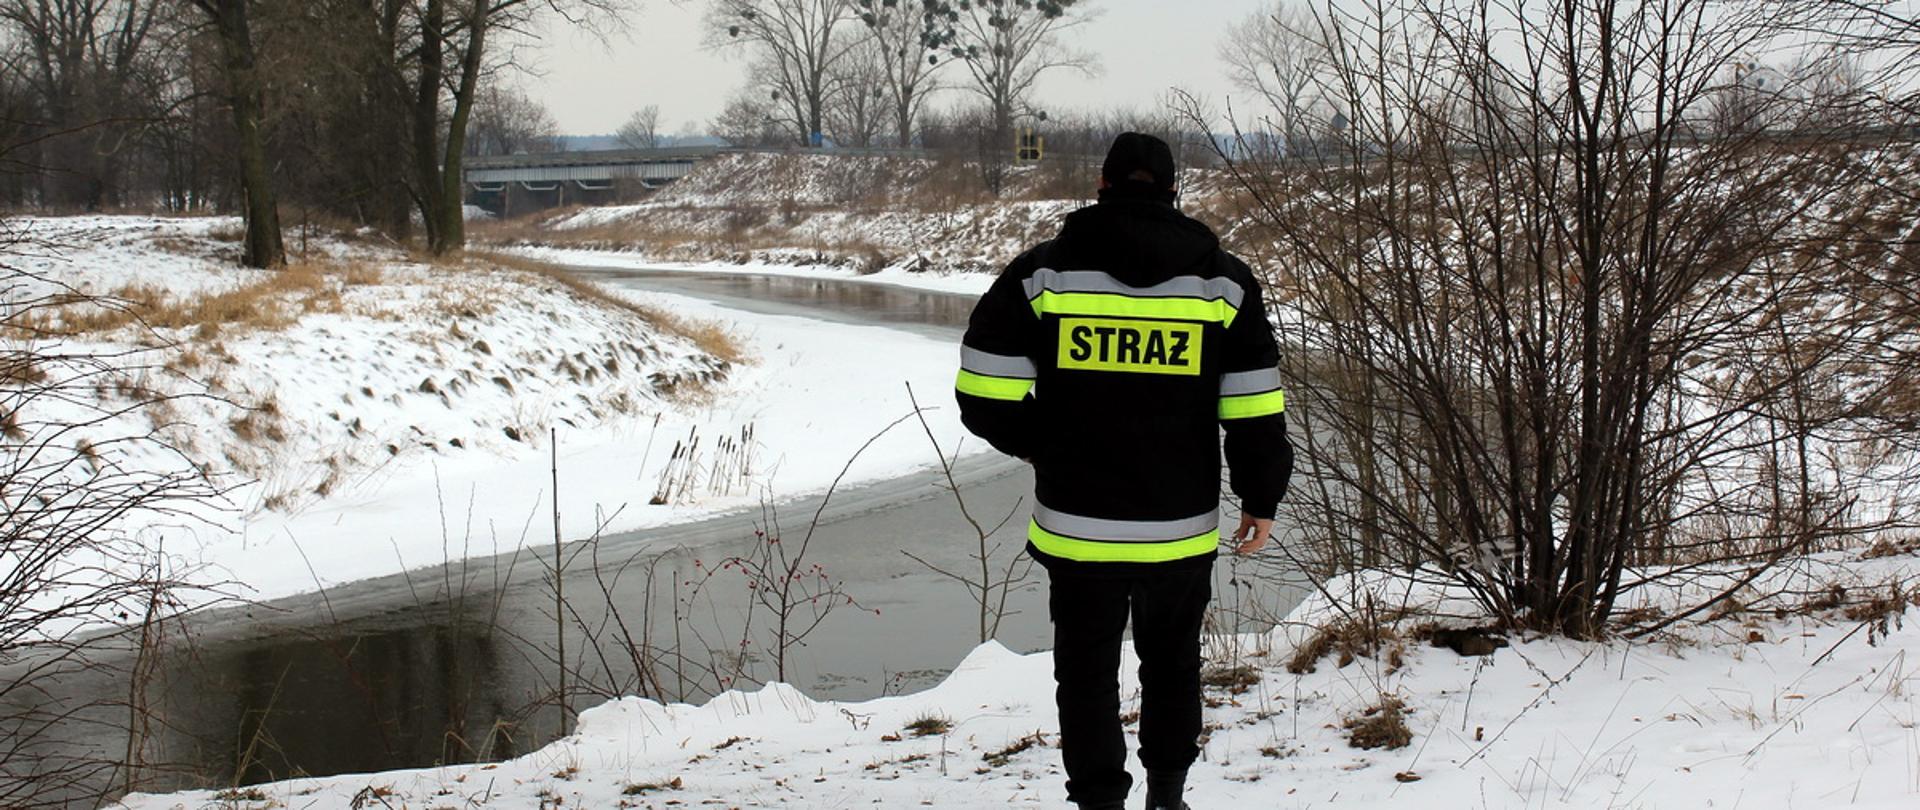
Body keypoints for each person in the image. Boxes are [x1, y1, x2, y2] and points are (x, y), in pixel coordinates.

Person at [953, 132, 1293, 810]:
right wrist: (1261, 494)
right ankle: (1167, 798)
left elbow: (983, 392)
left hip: (1077, 527)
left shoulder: (1043, 276)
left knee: (1084, 674)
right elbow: (1252, 405)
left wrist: (1047, 445)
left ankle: (1099, 802)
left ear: (1101, 187)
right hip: (1180, 528)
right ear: (1174, 193)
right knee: (1173, 668)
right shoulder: (1222, 284)